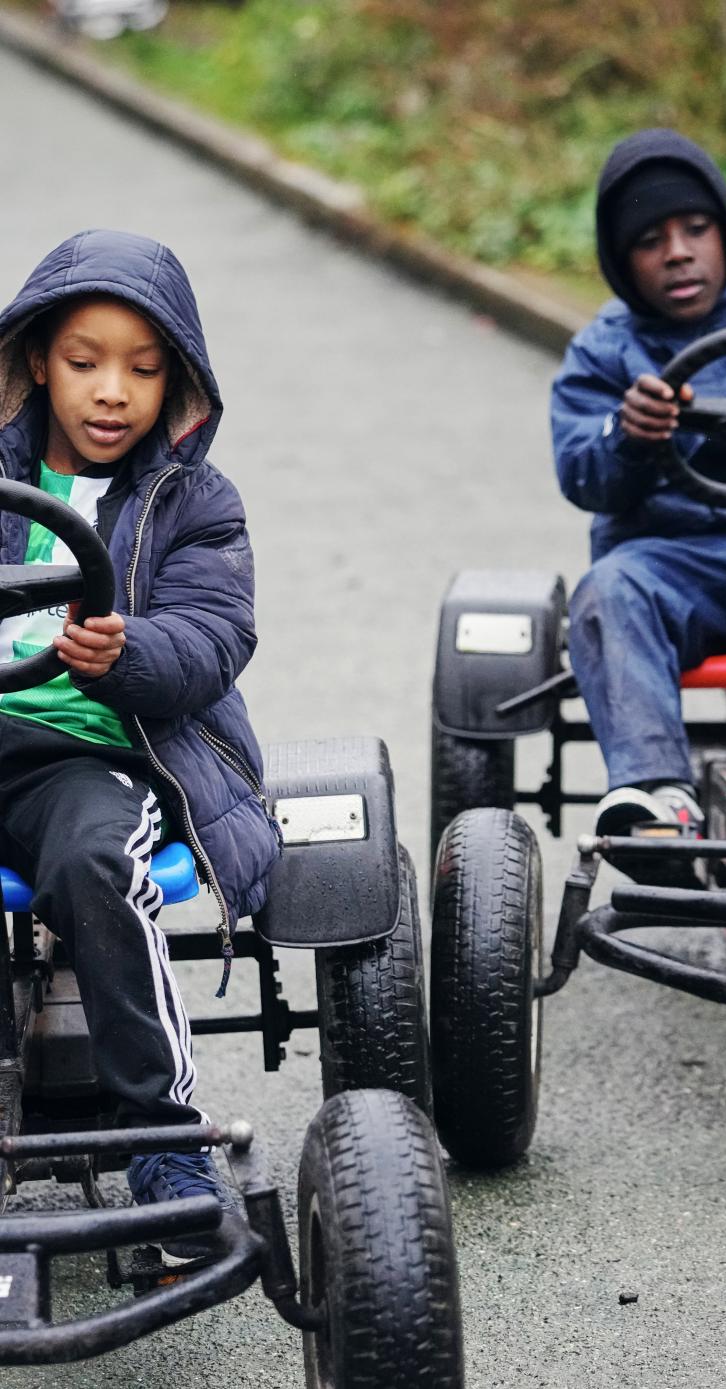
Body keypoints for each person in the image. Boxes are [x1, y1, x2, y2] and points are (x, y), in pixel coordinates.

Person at [0, 229, 281, 1262]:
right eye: (85, 362)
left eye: (142, 368)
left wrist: (128, 652)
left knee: (93, 863)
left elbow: (214, 638)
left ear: (178, 383)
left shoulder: (194, 503)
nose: (111, 391)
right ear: (37, 360)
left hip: (100, 754)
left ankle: (161, 1139)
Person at [551, 128, 726, 862]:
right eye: (650, 240)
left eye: (695, 229)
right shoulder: (604, 351)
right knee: (608, 589)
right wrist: (628, 436)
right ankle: (659, 795)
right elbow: (580, 475)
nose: (677, 252)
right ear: (621, 261)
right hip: (676, 569)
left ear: (724, 233)